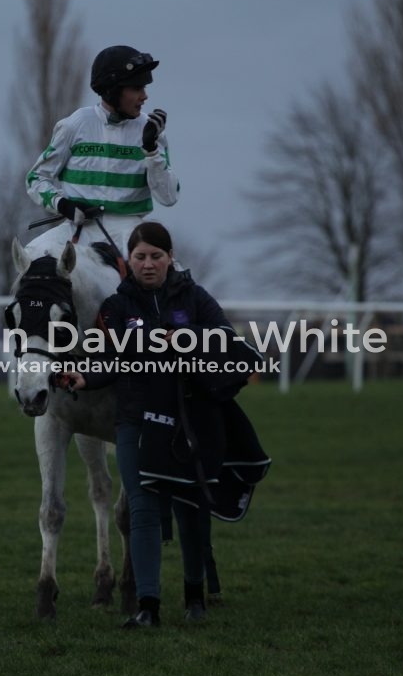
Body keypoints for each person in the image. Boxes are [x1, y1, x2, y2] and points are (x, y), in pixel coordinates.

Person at [61, 222, 265, 628]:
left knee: (192, 506)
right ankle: (148, 607)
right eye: (140, 257)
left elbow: (224, 338)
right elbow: (109, 359)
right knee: (142, 507)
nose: (148, 264)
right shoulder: (116, 307)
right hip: (136, 420)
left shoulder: (195, 297)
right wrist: (85, 377)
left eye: (157, 255)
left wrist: (183, 338)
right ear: (130, 260)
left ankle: (194, 599)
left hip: (192, 418)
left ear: (170, 257)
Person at [25, 46, 179, 254]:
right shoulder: (74, 125)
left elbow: (169, 197)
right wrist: (62, 205)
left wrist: (151, 150)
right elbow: (35, 178)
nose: (144, 96)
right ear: (112, 90)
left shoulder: (152, 130)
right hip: (78, 228)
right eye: (136, 88)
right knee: (31, 255)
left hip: (130, 233)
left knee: (167, 269)